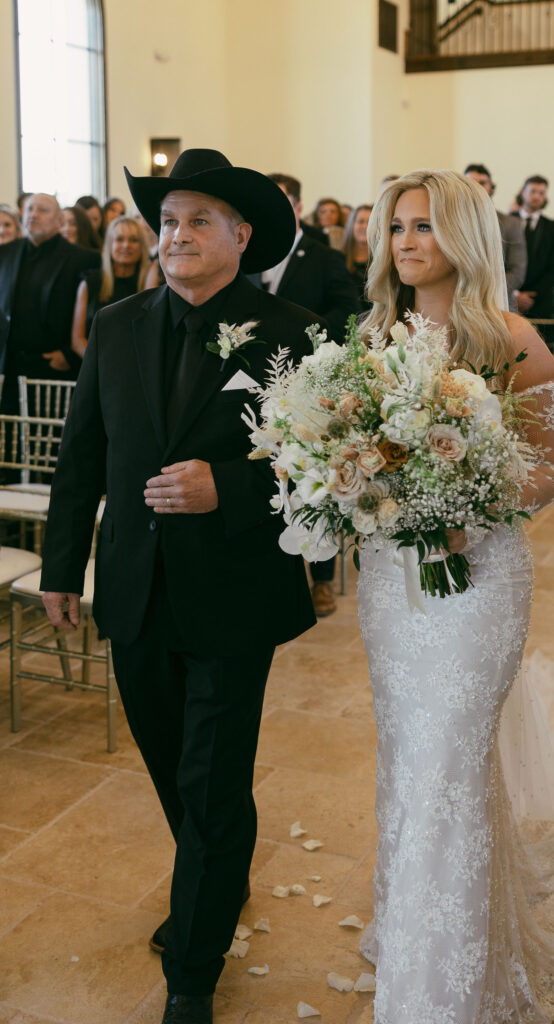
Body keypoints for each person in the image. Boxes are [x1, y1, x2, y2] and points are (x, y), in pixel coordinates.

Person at [355, 170, 554, 1023]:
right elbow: (359, 455)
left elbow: (550, 468)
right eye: (395, 228)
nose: (406, 243)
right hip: (395, 588)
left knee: (448, 766)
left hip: (478, 585)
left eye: (422, 226)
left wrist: (469, 515)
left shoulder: (508, 338)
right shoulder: (373, 338)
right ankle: (412, 928)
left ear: (461, 236)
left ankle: (445, 990)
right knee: (405, 758)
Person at [39, 148, 320, 1024]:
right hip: (134, 586)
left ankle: (192, 973)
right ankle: (220, 866)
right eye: (167, 221)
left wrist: (228, 487)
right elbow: (81, 454)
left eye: (198, 220)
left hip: (234, 591)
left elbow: (329, 472)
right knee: (174, 768)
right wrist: (60, 567)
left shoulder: (294, 334)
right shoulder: (118, 327)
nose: (175, 235)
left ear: (241, 236)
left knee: (209, 774)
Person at [255, 172, 361, 617]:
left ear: (297, 208)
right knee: (267, 478)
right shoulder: (247, 255)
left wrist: (300, 335)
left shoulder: (323, 257)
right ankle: (269, 569)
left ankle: (320, 577)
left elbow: (347, 310)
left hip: (308, 385)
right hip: (257, 384)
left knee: (311, 479)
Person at [0, 193, 99, 414]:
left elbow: (92, 316)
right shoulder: (5, 253)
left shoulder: (84, 258)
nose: (33, 215)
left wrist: (68, 355)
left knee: (48, 440)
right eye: (30, 209)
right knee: (8, 442)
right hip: (9, 366)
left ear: (59, 220)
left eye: (42, 210)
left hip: (53, 369)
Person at [71, 215, 150, 357]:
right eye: (119, 239)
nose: (126, 245)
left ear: (142, 246)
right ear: (110, 244)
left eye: (133, 240)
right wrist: (102, 365)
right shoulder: (90, 283)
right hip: (97, 368)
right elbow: (78, 340)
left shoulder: (151, 284)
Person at [464, 163, 527, 311]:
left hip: (500, 304)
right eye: (471, 182)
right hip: (460, 301)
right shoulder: (451, 221)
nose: (477, 187)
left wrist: (488, 293)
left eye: (482, 183)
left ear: (491, 187)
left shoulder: (511, 223)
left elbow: (517, 270)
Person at [514, 175, 554, 318]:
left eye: (541, 193)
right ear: (523, 192)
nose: (536, 196)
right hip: (508, 300)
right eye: (533, 191)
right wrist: (515, 295)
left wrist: (531, 295)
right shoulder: (505, 221)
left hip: (541, 303)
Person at [342, 203, 372, 310]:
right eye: (360, 221)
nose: (365, 226)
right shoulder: (338, 260)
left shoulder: (385, 263)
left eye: (370, 222)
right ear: (352, 225)